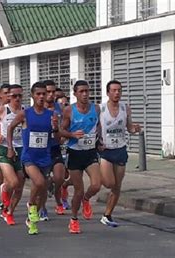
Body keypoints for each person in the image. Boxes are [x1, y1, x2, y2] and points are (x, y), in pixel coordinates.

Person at [7, 82, 60, 235]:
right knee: (40, 182)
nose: (42, 96)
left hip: (45, 157)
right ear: (32, 96)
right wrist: (10, 148)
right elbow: (10, 128)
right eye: (38, 94)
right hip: (29, 157)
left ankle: (32, 222)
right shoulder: (25, 114)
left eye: (44, 94)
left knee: (42, 191)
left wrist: (55, 128)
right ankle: (31, 205)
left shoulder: (51, 115)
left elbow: (57, 137)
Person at [60, 80, 102, 234]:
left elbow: (98, 125)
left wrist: (100, 140)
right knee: (78, 190)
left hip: (90, 152)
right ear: (75, 94)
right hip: (75, 153)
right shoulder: (69, 111)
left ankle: (86, 199)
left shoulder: (96, 109)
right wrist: (71, 134)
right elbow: (61, 130)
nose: (85, 94)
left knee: (97, 185)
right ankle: (74, 219)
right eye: (81, 91)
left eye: (87, 91)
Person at [99, 80, 141, 227]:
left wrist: (135, 129)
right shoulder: (101, 109)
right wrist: (98, 142)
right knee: (109, 183)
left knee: (117, 186)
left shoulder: (125, 108)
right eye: (114, 90)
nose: (117, 93)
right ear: (108, 93)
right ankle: (98, 175)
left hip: (120, 149)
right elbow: (96, 127)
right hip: (106, 150)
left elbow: (129, 127)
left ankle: (107, 215)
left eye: (119, 90)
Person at [0, 84, 25, 226]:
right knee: (13, 182)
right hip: (4, 149)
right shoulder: (3, 109)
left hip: (21, 149)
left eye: (19, 96)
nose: (17, 98)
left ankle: (9, 212)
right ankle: (5, 191)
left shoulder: (25, 110)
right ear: (9, 97)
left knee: (19, 185)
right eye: (14, 96)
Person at [44, 80, 68, 218]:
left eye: (53, 92)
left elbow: (65, 125)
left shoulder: (60, 109)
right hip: (40, 150)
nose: (51, 94)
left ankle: (58, 200)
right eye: (48, 92)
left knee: (59, 178)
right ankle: (41, 207)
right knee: (42, 181)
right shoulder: (36, 109)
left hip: (55, 147)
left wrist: (64, 134)